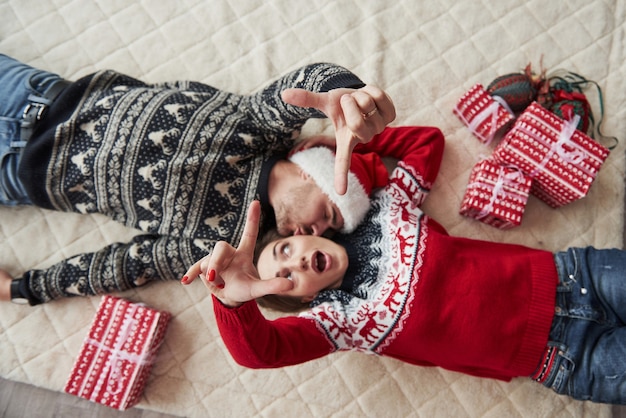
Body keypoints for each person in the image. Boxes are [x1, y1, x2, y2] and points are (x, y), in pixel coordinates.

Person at [182, 127, 626, 405]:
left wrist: (345, 143)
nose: (295, 263)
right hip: (565, 359)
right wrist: (233, 303)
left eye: (284, 253)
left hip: (575, 277)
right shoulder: (338, 320)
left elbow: (426, 142)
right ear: (307, 299)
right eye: (288, 280)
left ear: (304, 235)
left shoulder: (386, 208)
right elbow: (259, 353)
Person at [0, 54, 399, 305]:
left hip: (19, 175)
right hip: (35, 94)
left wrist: (22, 290)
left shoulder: (222, 244)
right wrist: (345, 93)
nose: (319, 230)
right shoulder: (258, 125)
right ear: (307, 169)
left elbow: (122, 265)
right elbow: (302, 89)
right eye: (329, 212)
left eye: (327, 230)